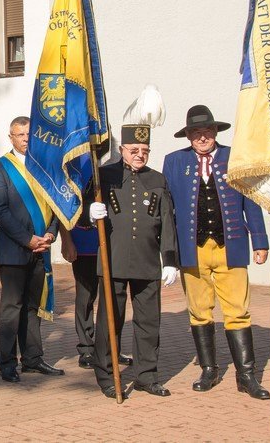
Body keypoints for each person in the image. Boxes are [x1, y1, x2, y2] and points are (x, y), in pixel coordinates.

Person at [162, 104, 270, 399]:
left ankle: (246, 375)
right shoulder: (174, 161)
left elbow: (251, 200)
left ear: (215, 131)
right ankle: (209, 370)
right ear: (188, 136)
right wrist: (168, 254)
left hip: (230, 246)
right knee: (199, 312)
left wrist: (260, 241)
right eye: (196, 132)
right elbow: (167, 210)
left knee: (238, 311)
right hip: (192, 249)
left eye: (207, 131)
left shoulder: (234, 157)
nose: (202, 137)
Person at [86, 123, 178, 399]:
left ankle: (146, 376)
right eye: (134, 149)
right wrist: (90, 213)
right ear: (122, 149)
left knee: (149, 323)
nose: (140, 155)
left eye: (145, 150)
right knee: (109, 322)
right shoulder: (104, 175)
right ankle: (106, 375)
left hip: (147, 261)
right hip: (113, 260)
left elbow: (167, 222)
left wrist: (170, 260)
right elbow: (81, 211)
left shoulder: (157, 179)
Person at [0, 116, 64, 383]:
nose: (26, 139)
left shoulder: (45, 166)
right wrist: (27, 239)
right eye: (20, 135)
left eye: (30, 134)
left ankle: (32, 358)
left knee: (33, 306)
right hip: (14, 250)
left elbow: (56, 203)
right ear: (11, 137)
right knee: (12, 308)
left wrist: (51, 233)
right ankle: (7, 362)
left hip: (42, 248)